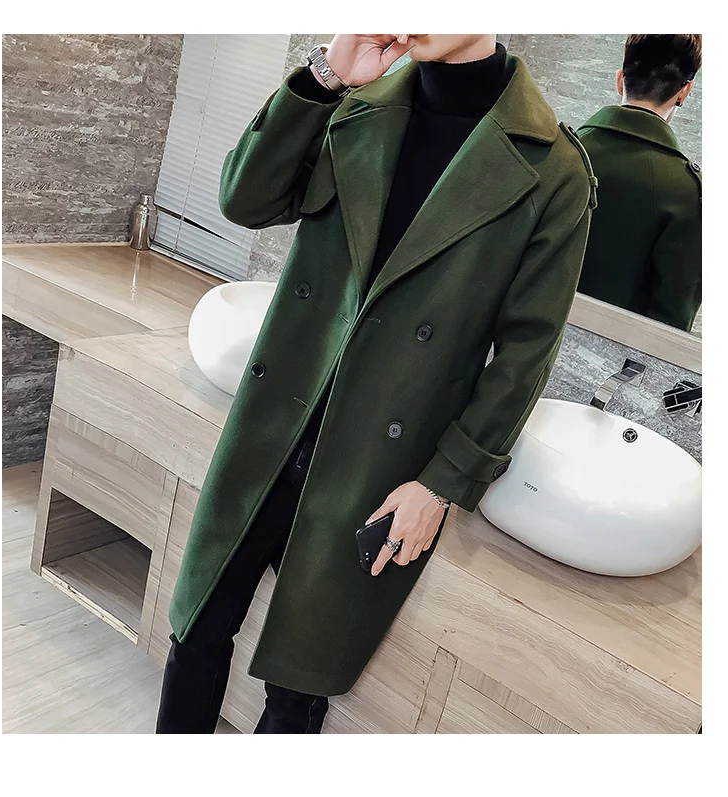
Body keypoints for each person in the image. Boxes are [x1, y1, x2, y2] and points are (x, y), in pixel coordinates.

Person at [155, 33, 596, 734]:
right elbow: (246, 198)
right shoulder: (354, 103)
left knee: (298, 688)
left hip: (378, 465)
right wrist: (325, 76)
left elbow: (527, 350)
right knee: (195, 631)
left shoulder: (554, 166)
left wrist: (442, 483)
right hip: (275, 429)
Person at [575, 34, 702, 332]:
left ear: (620, 80)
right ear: (684, 91)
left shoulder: (558, 152)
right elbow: (669, 325)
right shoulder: (689, 192)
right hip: (609, 358)